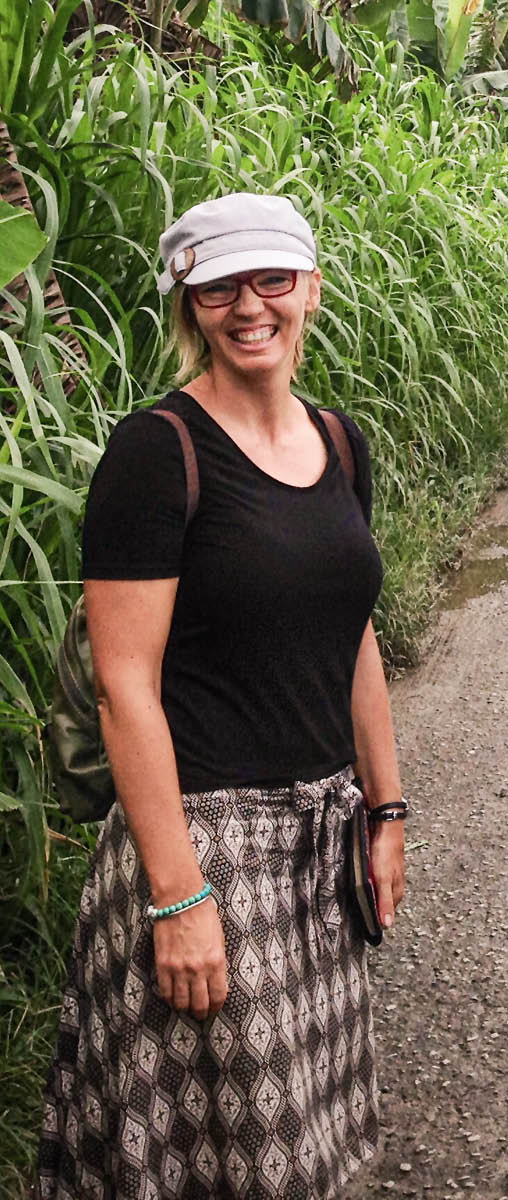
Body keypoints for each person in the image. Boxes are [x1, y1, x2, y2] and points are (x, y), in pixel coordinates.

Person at [37, 192, 406, 1199]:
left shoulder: (342, 441)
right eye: (218, 287)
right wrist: (180, 895)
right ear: (189, 304)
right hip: (208, 847)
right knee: (231, 1151)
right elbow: (124, 687)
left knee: (310, 1141)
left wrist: (386, 809)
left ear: (311, 290)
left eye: (271, 280)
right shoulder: (159, 453)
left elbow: (353, 635)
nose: (250, 306)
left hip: (319, 841)